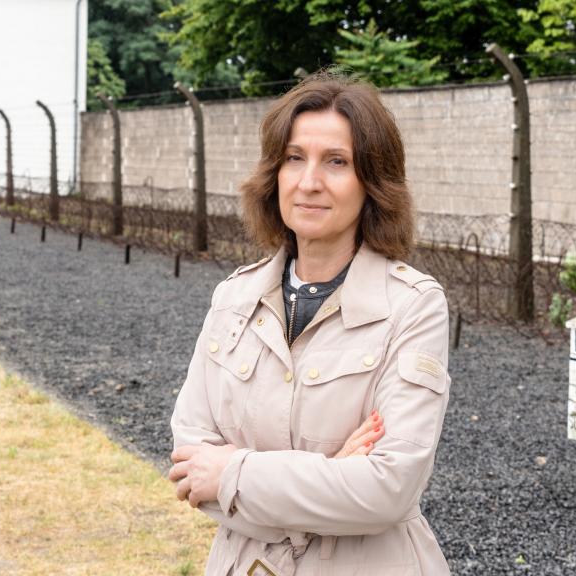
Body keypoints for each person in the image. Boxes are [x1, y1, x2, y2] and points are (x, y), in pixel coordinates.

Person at [168, 70, 451, 575]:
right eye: (294, 158)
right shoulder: (234, 297)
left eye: (337, 162)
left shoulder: (413, 306)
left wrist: (233, 474)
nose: (309, 181)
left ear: (373, 182)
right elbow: (192, 468)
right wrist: (333, 476)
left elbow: (389, 489)